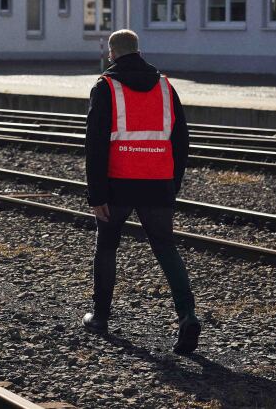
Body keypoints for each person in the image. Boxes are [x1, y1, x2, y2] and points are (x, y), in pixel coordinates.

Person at [81, 29, 201, 355]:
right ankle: (187, 316)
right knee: (166, 248)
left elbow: (95, 145)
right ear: (138, 50)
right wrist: (172, 182)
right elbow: (181, 140)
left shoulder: (105, 87)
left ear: (112, 53)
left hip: (118, 183)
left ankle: (100, 317)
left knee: (107, 247)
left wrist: (97, 195)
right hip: (157, 182)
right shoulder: (165, 86)